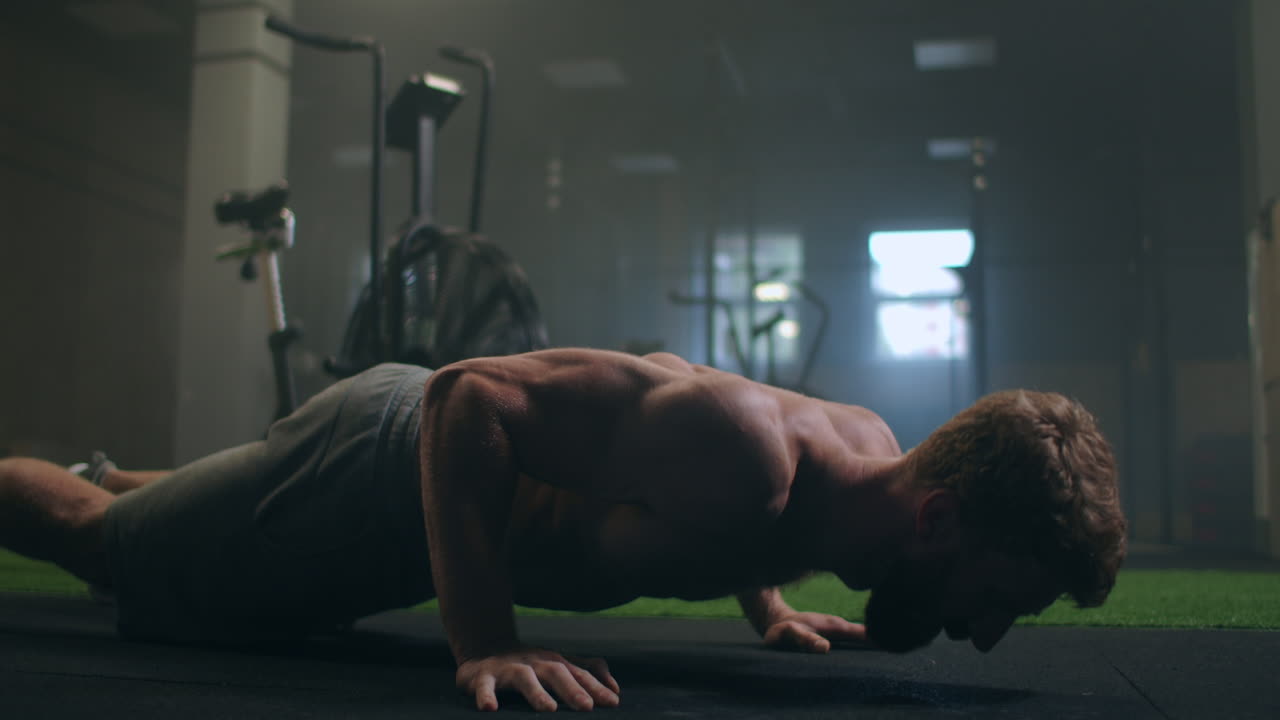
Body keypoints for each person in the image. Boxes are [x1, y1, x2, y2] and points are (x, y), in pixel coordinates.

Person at [0, 348, 1126, 712]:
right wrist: (482, 637)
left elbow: (751, 526)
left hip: (385, 474)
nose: (979, 636)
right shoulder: (744, 455)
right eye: (997, 599)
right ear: (937, 519)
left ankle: (146, 482)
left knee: (199, 503)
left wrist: (769, 606)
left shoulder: (859, 460)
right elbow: (465, 399)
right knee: (109, 550)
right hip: (390, 476)